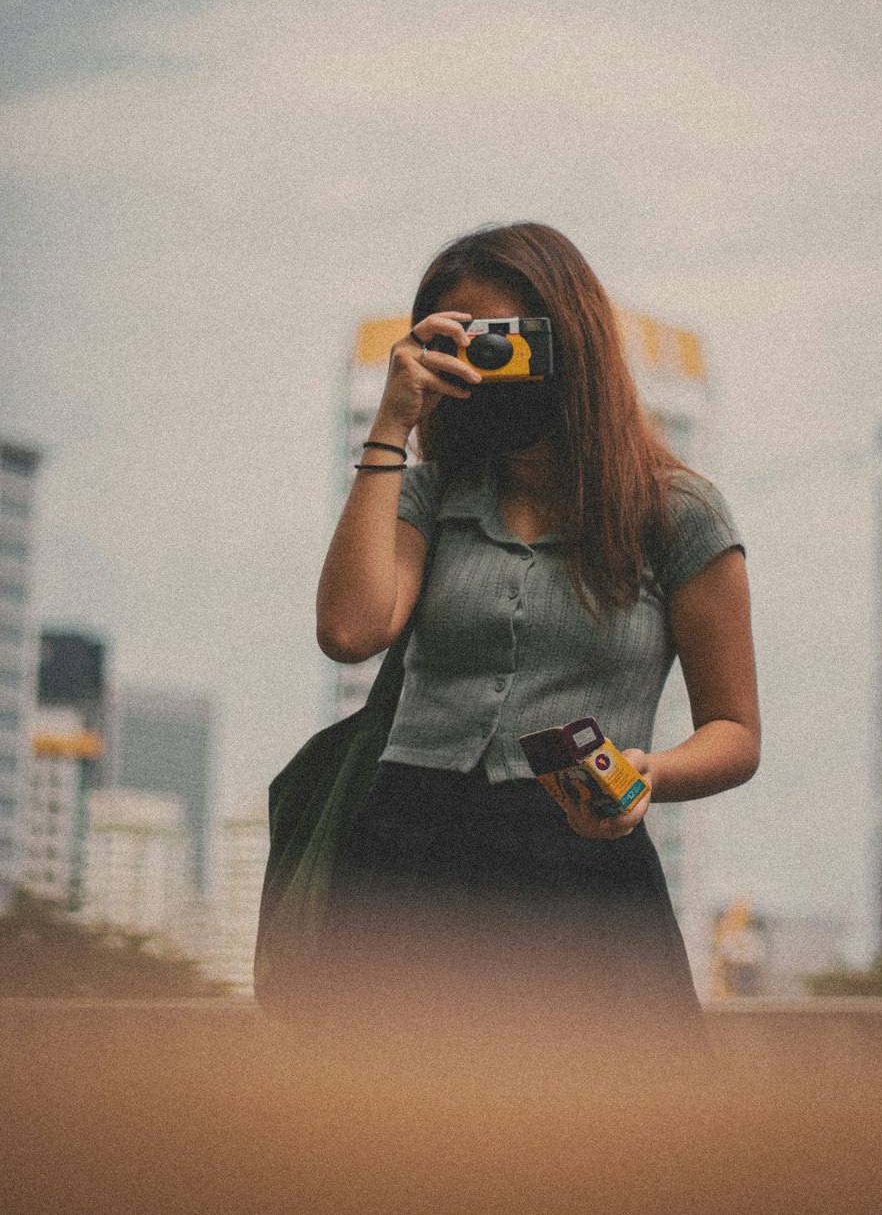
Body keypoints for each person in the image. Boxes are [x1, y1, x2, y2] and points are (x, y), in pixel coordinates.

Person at [316, 223, 759, 1048]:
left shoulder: (678, 513)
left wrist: (645, 775)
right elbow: (350, 629)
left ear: (575, 340)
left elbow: (735, 732)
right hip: (404, 858)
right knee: (379, 1149)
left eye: (509, 339)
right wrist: (391, 424)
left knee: (598, 1154)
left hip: (581, 859)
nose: (487, 362)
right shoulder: (428, 492)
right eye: (461, 340)